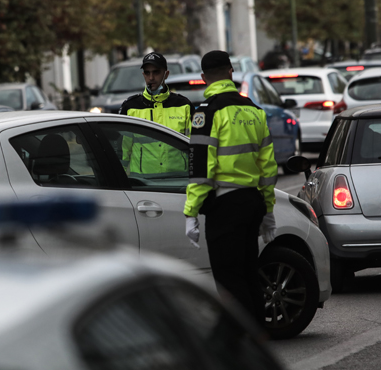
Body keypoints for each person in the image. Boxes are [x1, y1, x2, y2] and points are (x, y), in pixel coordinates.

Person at [183, 50, 278, 323]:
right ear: (230, 72)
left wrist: (191, 212)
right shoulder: (254, 110)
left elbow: (201, 169)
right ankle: (258, 333)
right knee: (249, 273)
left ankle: (244, 338)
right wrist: (268, 210)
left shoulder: (207, 113)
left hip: (225, 206)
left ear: (203, 78)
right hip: (252, 203)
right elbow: (268, 168)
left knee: (229, 280)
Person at [118, 52, 192, 173]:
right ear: (143, 75)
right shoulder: (131, 107)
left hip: (178, 179)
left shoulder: (183, 105)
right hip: (143, 181)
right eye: (147, 73)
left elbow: (193, 146)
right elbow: (123, 150)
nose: (151, 78)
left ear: (166, 74)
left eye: (156, 72)